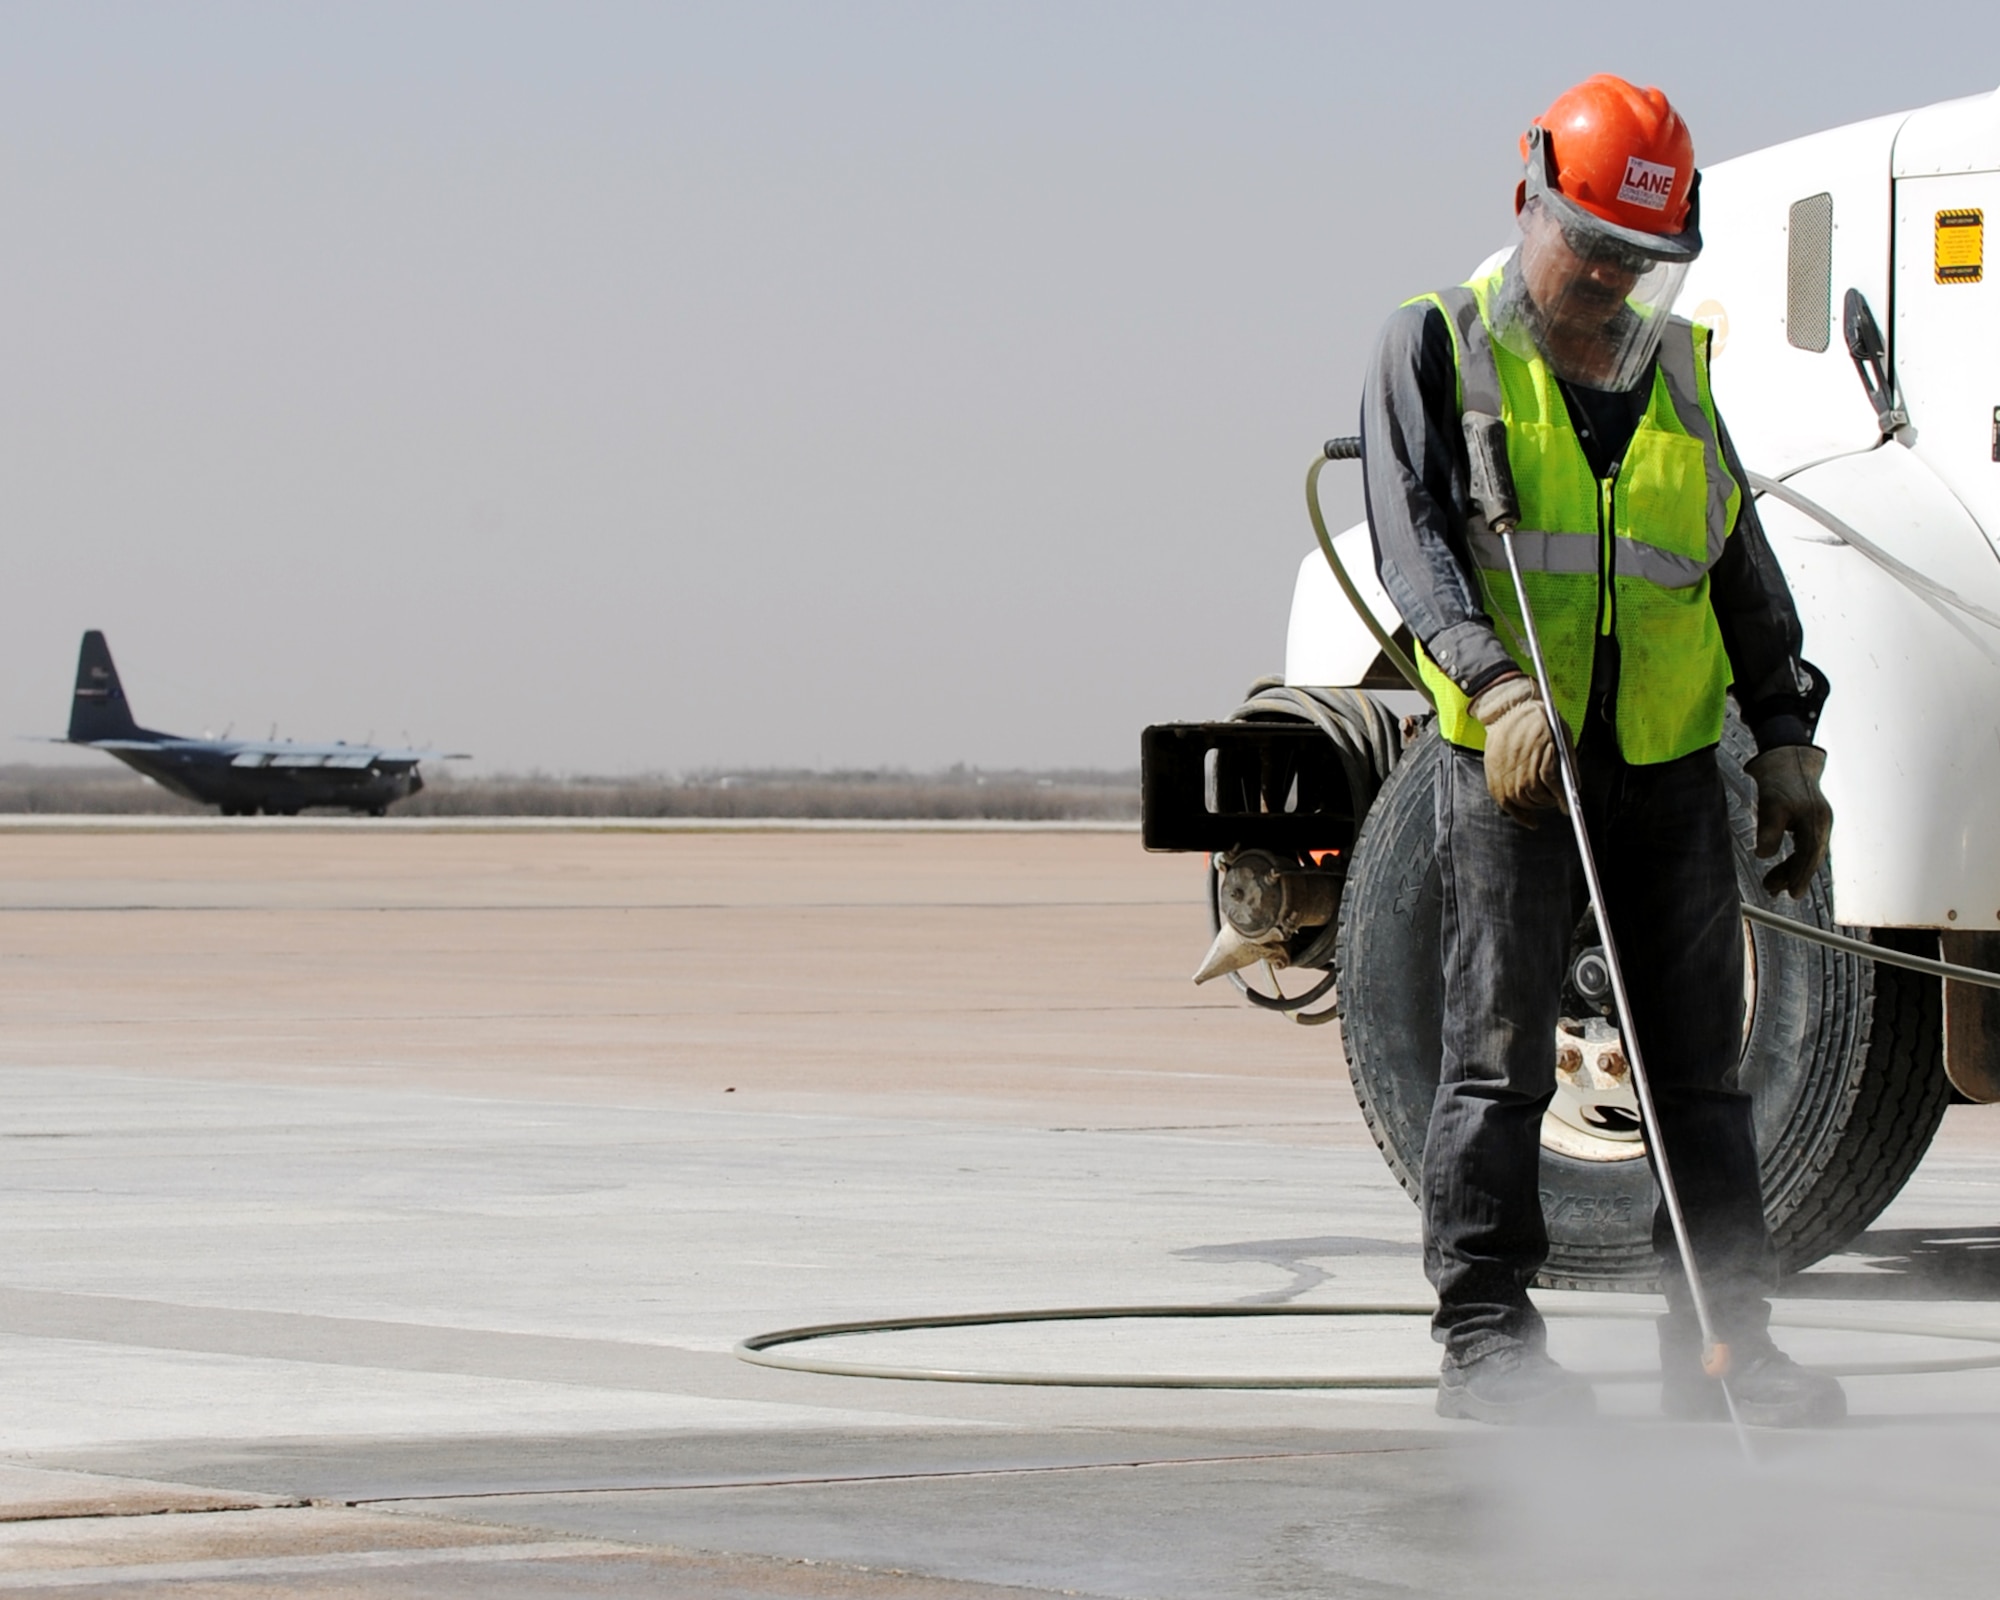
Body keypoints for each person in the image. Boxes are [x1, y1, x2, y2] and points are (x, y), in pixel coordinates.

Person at [1360, 74, 1845, 1428]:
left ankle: (1726, 1345)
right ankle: (1487, 1345)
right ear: (1532, 200)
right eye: (1594, 247)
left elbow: (1740, 569)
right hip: (1513, 766)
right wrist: (1491, 686)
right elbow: (1413, 544)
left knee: (1699, 1067)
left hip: (1669, 764)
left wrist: (1787, 745)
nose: (1611, 280)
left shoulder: (1676, 376)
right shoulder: (1440, 347)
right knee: (1498, 1054)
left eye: (1642, 260)